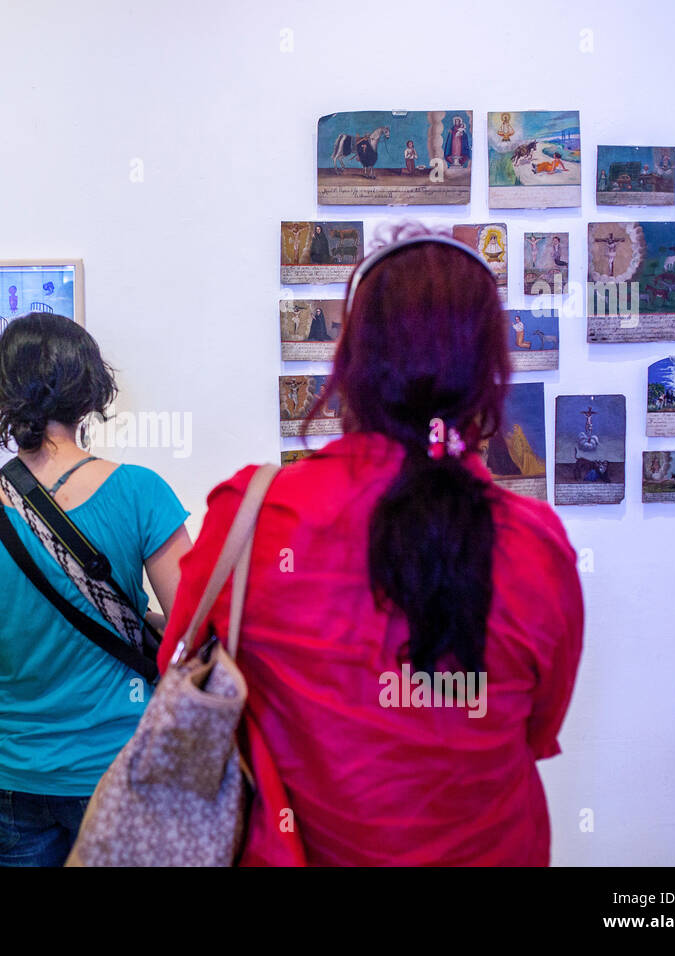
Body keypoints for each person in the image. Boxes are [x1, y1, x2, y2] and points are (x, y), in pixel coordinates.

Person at [158, 223, 584, 866]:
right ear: (488, 372)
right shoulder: (535, 545)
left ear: (351, 362)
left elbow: (178, 666)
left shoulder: (250, 516)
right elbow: (537, 731)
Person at [0, 312, 190, 867]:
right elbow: (196, 631)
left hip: (7, 781)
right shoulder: (142, 494)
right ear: (90, 392)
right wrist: (145, 622)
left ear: (4, 394)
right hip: (119, 772)